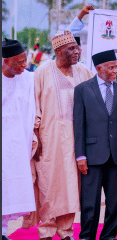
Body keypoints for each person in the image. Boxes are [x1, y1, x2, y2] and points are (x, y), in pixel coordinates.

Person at [31, 30, 95, 240]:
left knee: (71, 186)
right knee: (48, 185)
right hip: (49, 138)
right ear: (58, 51)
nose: (77, 51)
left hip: (77, 140)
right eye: (71, 48)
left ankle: (65, 231)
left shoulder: (83, 71)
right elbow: (34, 106)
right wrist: (36, 136)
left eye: (77, 47)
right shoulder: (42, 72)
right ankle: (47, 230)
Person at [73, 50, 117, 240]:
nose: (115, 70)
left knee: (115, 202)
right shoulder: (82, 89)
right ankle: (86, 236)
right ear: (99, 68)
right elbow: (78, 124)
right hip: (91, 155)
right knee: (90, 202)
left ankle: (109, 236)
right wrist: (80, 155)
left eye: (116, 66)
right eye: (111, 67)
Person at [2, 39, 36, 240]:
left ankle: (3, 231)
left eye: (25, 61)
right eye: (19, 62)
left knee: (11, 189)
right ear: (5, 61)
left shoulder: (29, 79)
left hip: (17, 147)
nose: (24, 65)